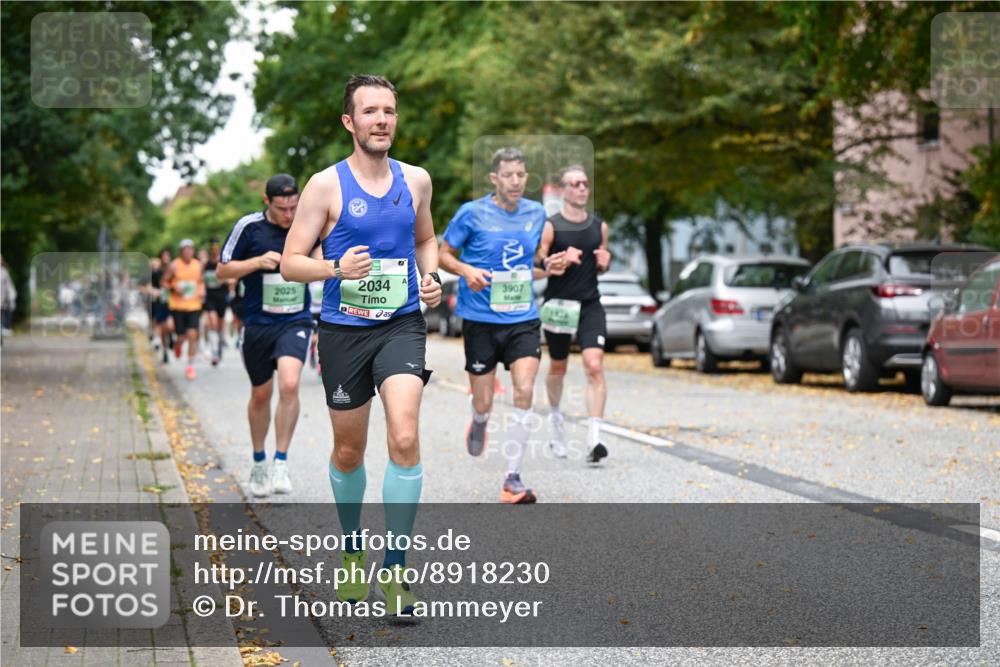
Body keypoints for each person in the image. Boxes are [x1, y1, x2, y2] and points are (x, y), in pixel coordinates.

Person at [280, 74, 441, 615]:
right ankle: (352, 550)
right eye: (370, 111)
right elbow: (289, 261)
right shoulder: (325, 186)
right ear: (350, 122)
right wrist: (333, 267)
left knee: (404, 434)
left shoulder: (416, 180)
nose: (381, 120)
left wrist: (432, 276)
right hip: (343, 332)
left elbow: (424, 238)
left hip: (401, 323)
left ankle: (395, 571)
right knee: (349, 450)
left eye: (389, 111)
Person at [438, 147, 570, 504]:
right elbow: (442, 254)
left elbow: (533, 265)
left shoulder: (536, 213)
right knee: (483, 400)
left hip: (522, 318)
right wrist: (466, 271)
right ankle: (480, 418)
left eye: (521, 175)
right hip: (480, 320)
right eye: (508, 175)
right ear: (494, 178)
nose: (515, 181)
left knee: (525, 388)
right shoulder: (471, 213)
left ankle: (513, 477)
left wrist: (551, 267)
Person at [217, 174, 314, 497]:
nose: (289, 215)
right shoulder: (249, 227)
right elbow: (222, 271)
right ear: (266, 202)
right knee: (261, 394)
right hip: (258, 322)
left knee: (289, 383)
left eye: (293, 207)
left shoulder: (307, 222)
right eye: (282, 209)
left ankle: (281, 461)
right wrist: (257, 262)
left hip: (295, 319)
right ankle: (259, 461)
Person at [536, 165, 611, 464]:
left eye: (585, 183)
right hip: (559, 304)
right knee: (558, 368)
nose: (581, 188)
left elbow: (601, 261)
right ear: (564, 190)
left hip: (590, 304)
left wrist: (606, 261)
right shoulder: (552, 225)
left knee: (594, 365)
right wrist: (558, 260)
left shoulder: (599, 226)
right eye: (575, 184)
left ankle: (595, 439)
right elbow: (539, 260)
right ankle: (557, 426)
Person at [167, 239, 204, 380]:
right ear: (181, 251)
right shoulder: (174, 265)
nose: (188, 252)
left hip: (194, 305)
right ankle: (178, 343)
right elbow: (165, 281)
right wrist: (175, 288)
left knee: (193, 334)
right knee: (181, 336)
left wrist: (201, 290)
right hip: (178, 305)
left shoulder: (198, 265)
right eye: (185, 249)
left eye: (190, 249)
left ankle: (190, 367)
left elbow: (201, 282)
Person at [202, 238, 229, 366]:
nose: (214, 250)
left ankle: (218, 345)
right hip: (209, 297)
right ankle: (213, 351)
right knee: (212, 322)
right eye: (212, 248)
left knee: (219, 325)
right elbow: (201, 279)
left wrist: (224, 280)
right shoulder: (205, 264)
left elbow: (233, 278)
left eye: (216, 248)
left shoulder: (224, 262)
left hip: (221, 296)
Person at [0, 256, 16, 337]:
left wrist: (12, 296)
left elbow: (9, 285)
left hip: (3, 298)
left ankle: (4, 328)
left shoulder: (4, 272)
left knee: (3, 314)